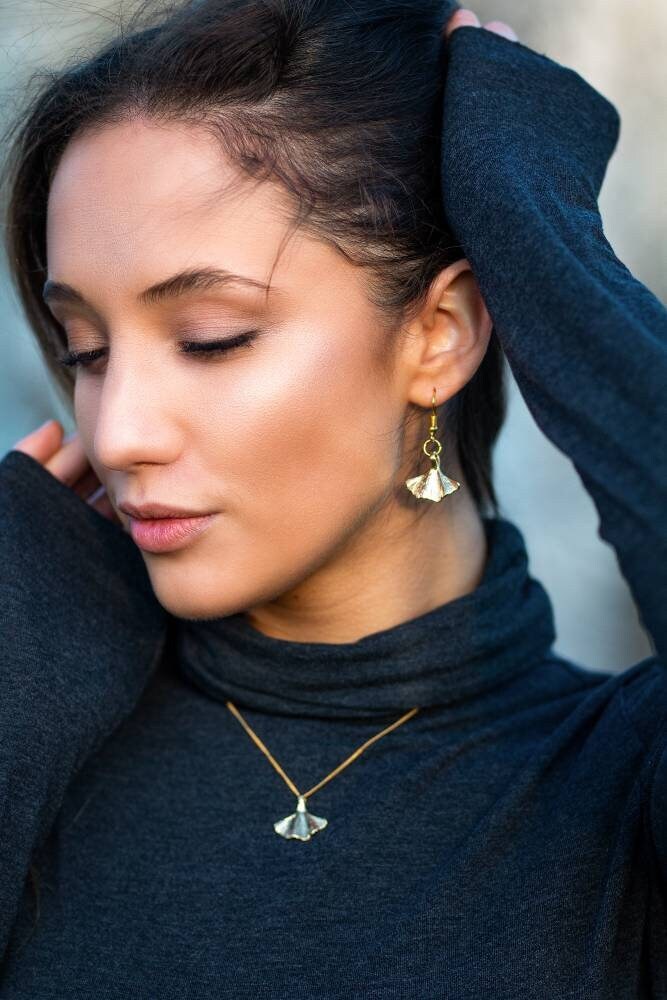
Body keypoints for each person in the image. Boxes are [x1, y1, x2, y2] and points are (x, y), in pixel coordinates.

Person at [0, 1, 665, 995]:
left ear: (440, 333)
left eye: (211, 335)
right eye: (87, 351)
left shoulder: (615, 783)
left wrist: (533, 222)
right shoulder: (41, 733)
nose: (119, 428)